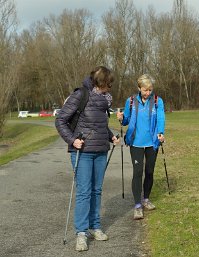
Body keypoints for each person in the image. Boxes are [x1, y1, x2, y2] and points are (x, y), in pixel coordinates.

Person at [55, 66, 119, 251]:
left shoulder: (105, 100)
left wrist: (110, 135)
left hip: (100, 149)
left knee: (97, 190)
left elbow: (98, 123)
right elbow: (60, 120)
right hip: (82, 151)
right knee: (84, 191)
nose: (109, 88)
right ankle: (81, 233)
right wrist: (72, 140)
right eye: (108, 84)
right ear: (100, 82)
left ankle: (94, 227)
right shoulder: (80, 95)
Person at [117, 74, 165, 220]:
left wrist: (161, 133)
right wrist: (121, 118)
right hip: (136, 142)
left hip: (152, 142)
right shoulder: (131, 101)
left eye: (150, 90)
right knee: (138, 172)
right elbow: (126, 120)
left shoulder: (157, 101)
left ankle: (146, 200)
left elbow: (161, 117)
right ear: (139, 88)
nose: (148, 93)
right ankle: (137, 205)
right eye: (145, 90)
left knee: (149, 171)